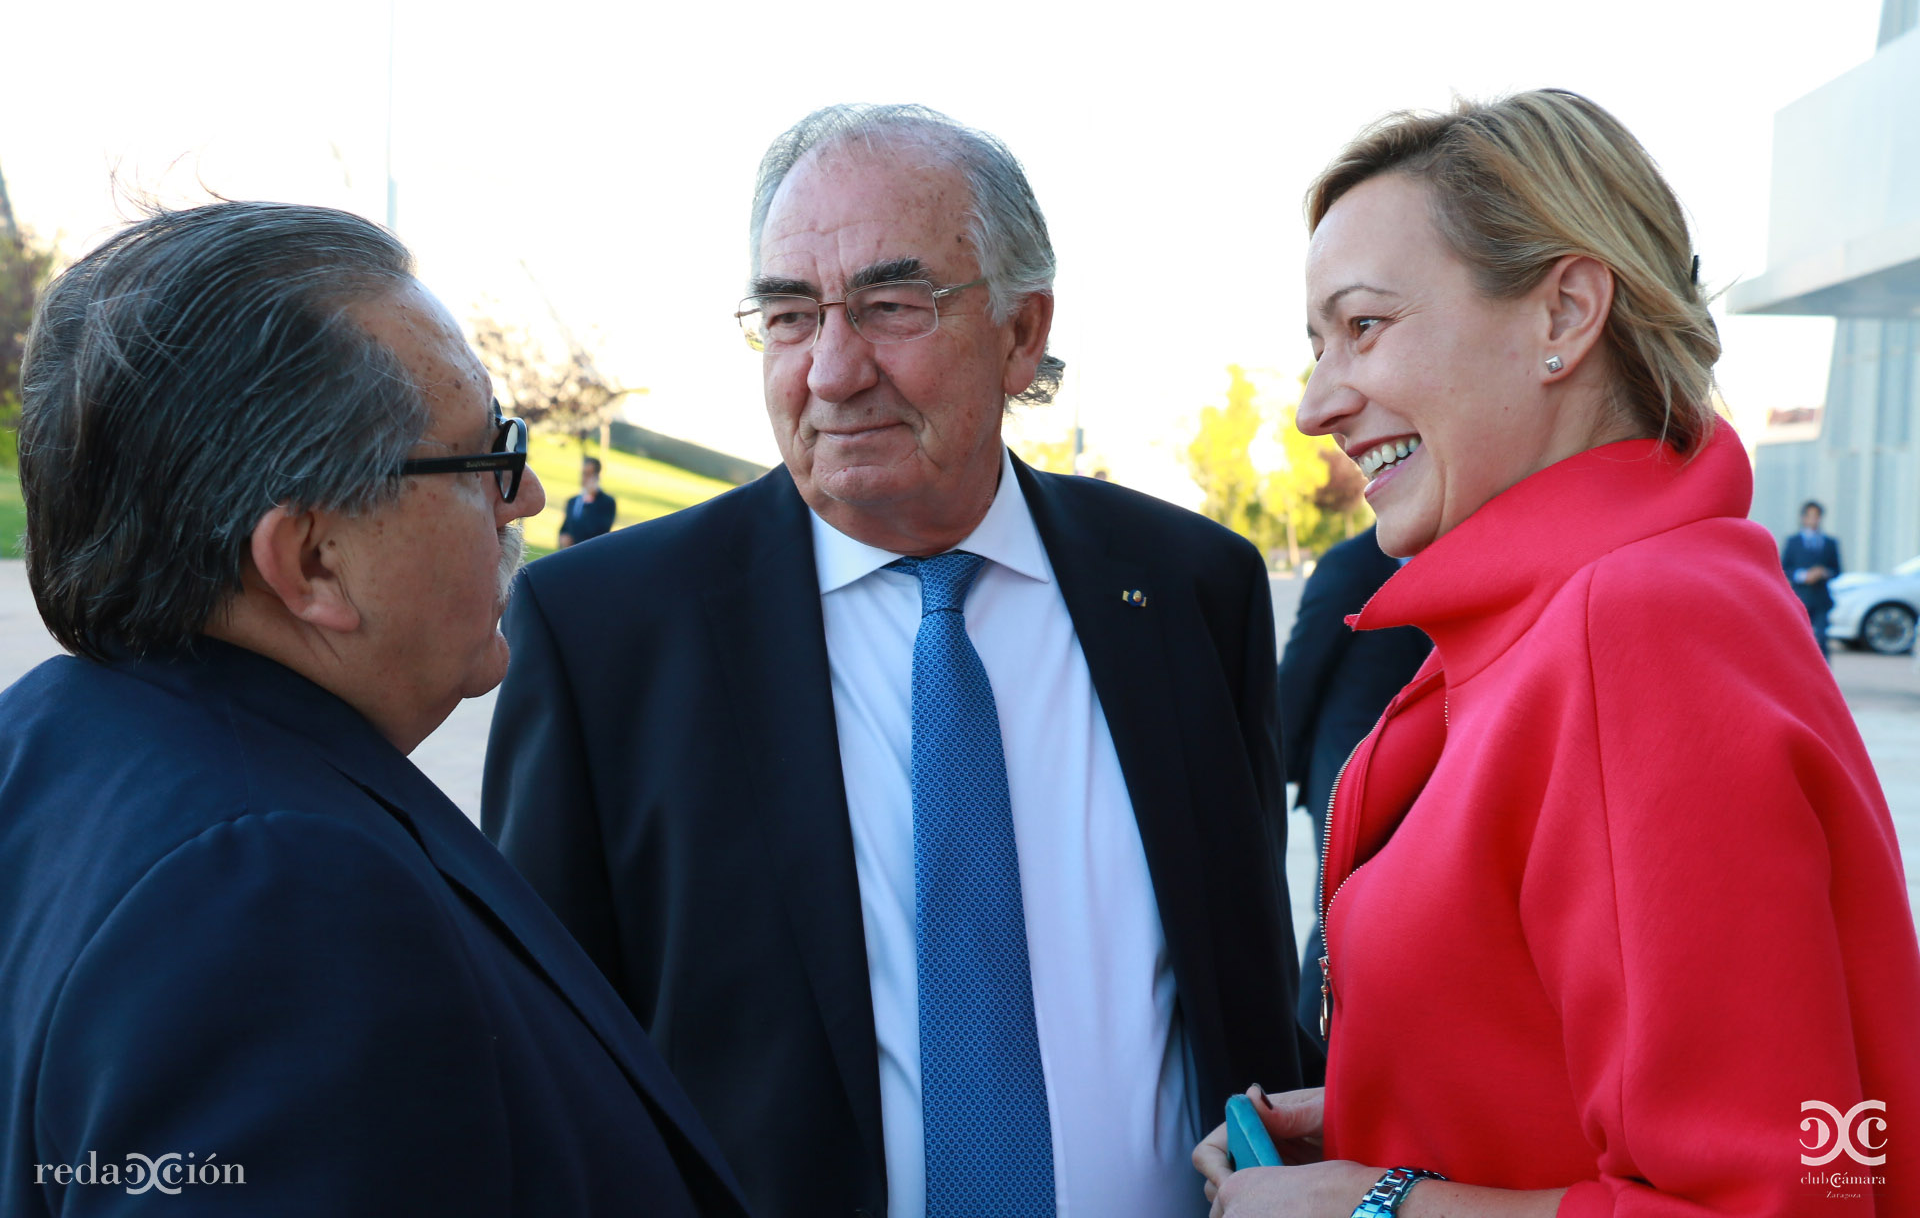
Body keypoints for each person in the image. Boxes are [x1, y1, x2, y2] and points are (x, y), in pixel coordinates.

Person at [485, 103, 1312, 1218]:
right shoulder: (606, 634)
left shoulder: (1184, 587)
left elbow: (1243, 980)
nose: (832, 368)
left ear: (1023, 331)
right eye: (788, 314)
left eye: (891, 303)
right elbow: (543, 1067)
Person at [1194, 90, 1920, 1216]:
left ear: (1565, 314)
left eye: (1365, 326)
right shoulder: (1594, 612)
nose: (1314, 404)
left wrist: (1368, 1204)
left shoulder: (1631, 627)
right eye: (1316, 342)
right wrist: (1388, 1104)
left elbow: (1770, 1200)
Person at [0, 202, 747, 1217]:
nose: (523, 496)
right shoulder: (281, 897)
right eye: (486, 455)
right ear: (314, 560)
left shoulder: (50, 736)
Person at [1275, 526, 1430, 1035]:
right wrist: (1283, 773)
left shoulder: (1463, 548)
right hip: (1348, 777)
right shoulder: (1349, 565)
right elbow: (1299, 676)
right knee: (1340, 919)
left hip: (1425, 779)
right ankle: (1311, 1047)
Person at [1783, 499, 1842, 658]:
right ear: (1803, 518)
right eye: (1810, 516)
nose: (1813, 519)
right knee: (1799, 638)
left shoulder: (1830, 543)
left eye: (1817, 516)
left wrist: (1823, 572)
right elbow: (1784, 568)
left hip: (1821, 599)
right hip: (1801, 597)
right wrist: (1804, 576)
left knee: (1821, 638)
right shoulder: (1793, 542)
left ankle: (1824, 676)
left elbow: (1838, 570)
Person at [558, 456, 618, 547]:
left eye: (588, 474)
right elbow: (565, 527)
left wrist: (589, 502)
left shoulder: (607, 502)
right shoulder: (572, 501)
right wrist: (563, 537)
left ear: (597, 476)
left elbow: (600, 530)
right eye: (583, 473)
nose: (584, 478)